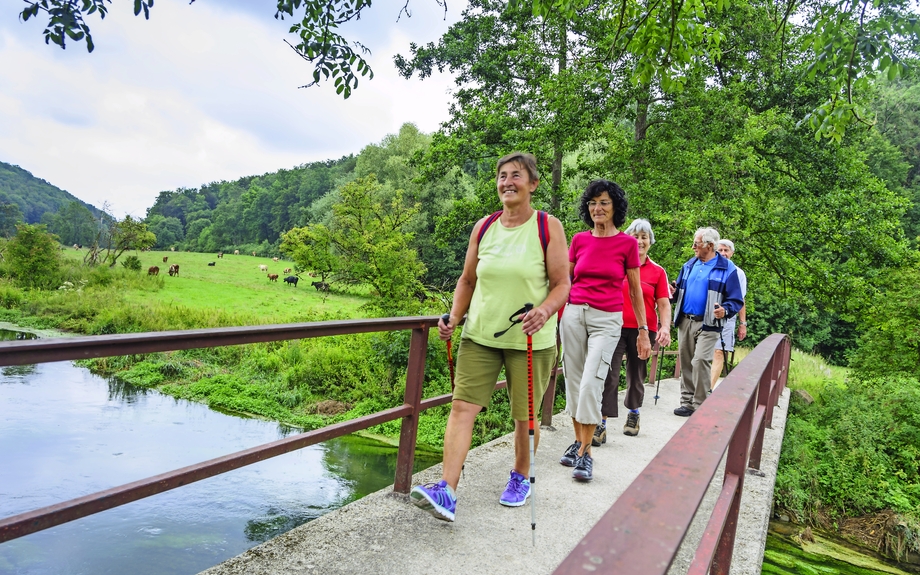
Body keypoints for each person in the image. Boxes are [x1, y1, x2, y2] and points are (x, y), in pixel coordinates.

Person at [409, 152, 570, 522]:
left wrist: (544, 310)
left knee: (525, 418)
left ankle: (520, 476)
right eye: (501, 175)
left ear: (533, 184)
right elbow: (468, 279)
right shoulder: (484, 227)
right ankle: (447, 491)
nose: (507, 182)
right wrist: (454, 315)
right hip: (480, 334)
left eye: (516, 175)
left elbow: (563, 284)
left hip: (530, 339)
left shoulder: (548, 226)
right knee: (462, 406)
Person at [559, 180, 650, 482]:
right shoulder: (579, 240)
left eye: (604, 203)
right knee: (573, 384)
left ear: (616, 208)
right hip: (573, 316)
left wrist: (643, 330)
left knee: (590, 384)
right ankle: (578, 442)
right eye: (593, 203)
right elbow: (566, 282)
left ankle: (587, 455)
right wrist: (550, 313)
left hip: (607, 319)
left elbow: (636, 291)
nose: (597, 208)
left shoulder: (626, 244)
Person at [596, 219, 672, 443]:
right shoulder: (615, 265)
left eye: (644, 237)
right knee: (609, 375)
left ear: (650, 242)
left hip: (643, 330)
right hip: (613, 327)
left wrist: (665, 328)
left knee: (636, 375)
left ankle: (634, 413)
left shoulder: (658, 272)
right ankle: (602, 422)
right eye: (635, 236)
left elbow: (664, 303)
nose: (639, 241)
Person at [670, 227, 745, 417]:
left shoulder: (727, 269)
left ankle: (700, 404)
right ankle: (686, 402)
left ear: (710, 246)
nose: (693, 247)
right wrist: (673, 293)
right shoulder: (689, 265)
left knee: (701, 360)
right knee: (686, 361)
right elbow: (679, 290)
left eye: (697, 243)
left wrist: (725, 310)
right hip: (685, 320)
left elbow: (736, 300)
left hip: (709, 323)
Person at [710, 239, 747, 389]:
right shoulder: (708, 267)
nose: (723, 253)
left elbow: (741, 299)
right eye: (720, 250)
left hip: (728, 317)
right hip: (707, 315)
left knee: (719, 352)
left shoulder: (738, 273)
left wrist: (743, 323)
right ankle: (699, 387)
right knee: (704, 353)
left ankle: (708, 389)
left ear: (732, 253)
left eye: (726, 250)